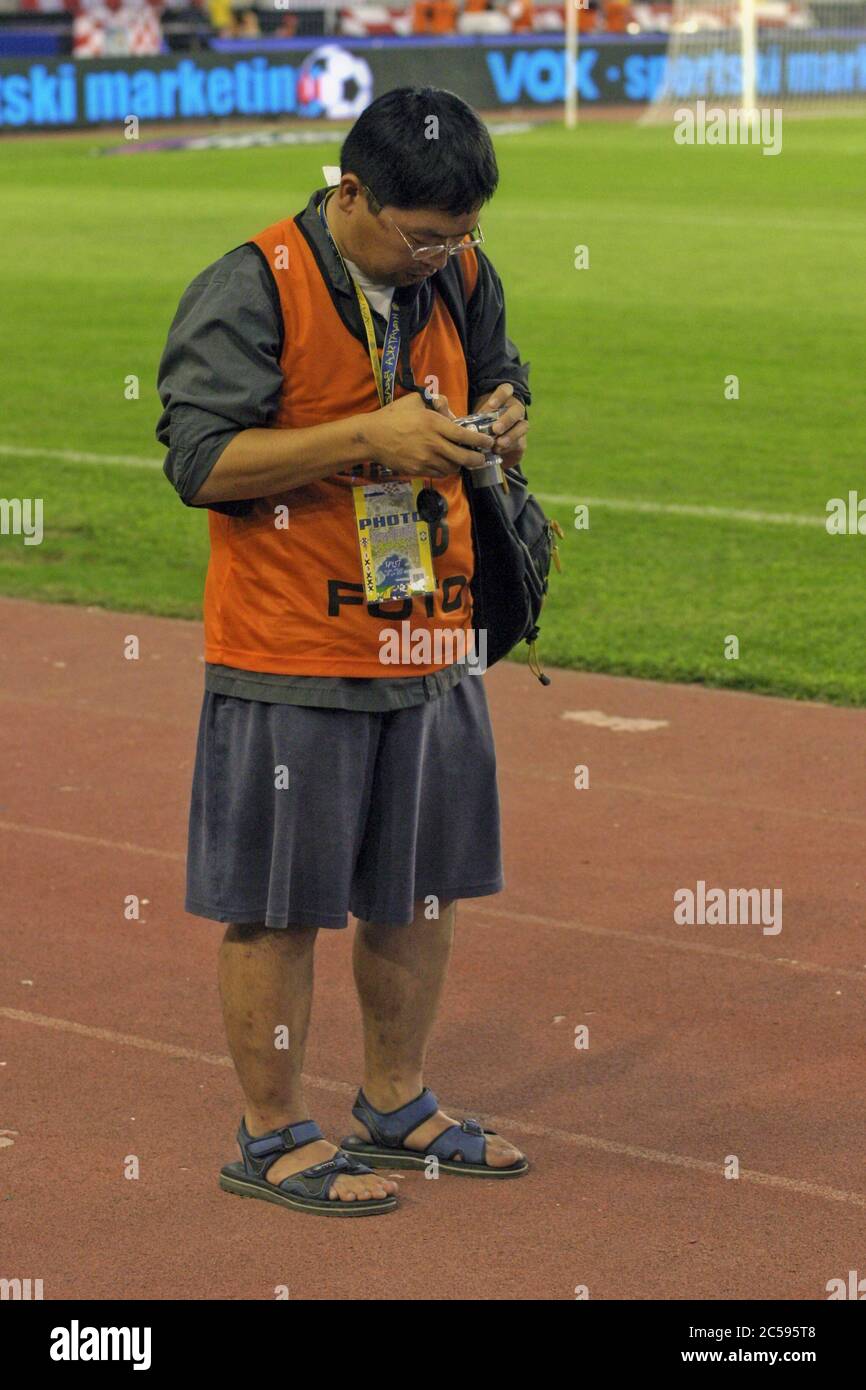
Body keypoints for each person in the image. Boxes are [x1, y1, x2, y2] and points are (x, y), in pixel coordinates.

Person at [156, 86, 531, 1217]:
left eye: (460, 235)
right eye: (422, 236)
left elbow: (503, 370)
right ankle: (271, 1134)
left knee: (418, 891)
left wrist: (506, 411)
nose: (442, 257)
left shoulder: (459, 274)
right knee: (278, 903)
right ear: (350, 192)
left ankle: (396, 1102)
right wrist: (368, 434)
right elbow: (200, 462)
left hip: (429, 626)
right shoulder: (253, 283)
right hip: (291, 645)